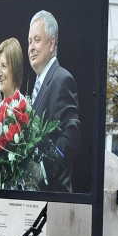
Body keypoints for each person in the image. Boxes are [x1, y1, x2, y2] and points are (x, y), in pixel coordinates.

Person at [26, 10, 81, 192]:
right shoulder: (35, 83)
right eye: (29, 41)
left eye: (37, 40)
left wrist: (43, 168)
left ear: (51, 43)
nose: (31, 47)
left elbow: (71, 135)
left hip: (54, 195)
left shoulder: (62, 79)